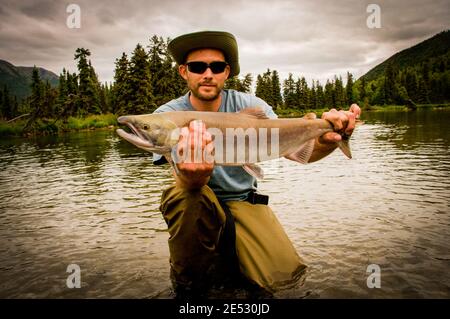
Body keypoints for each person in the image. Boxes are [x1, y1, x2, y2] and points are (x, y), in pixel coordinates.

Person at [153, 31, 361, 297]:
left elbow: (302, 154)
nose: (208, 73)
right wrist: (193, 178)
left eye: (216, 67)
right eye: (197, 67)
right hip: (195, 202)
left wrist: (330, 139)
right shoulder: (166, 116)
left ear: (226, 72)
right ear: (184, 72)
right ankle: (189, 289)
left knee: (286, 282)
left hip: (245, 201)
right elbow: (184, 183)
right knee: (185, 196)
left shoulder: (250, 105)